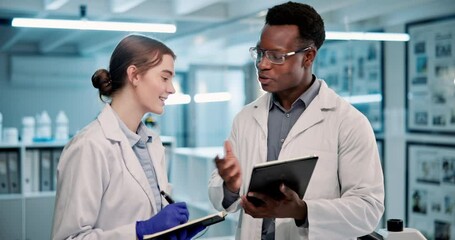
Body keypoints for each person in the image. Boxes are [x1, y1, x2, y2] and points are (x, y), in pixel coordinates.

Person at [208, 2, 384, 239]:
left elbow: (368, 210)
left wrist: (302, 211)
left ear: (308, 56)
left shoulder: (349, 123)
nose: (262, 64)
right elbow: (220, 198)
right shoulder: (247, 117)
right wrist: (229, 185)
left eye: (276, 56)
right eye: (260, 53)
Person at [52, 34, 203, 240]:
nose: (171, 88)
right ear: (135, 75)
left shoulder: (152, 144)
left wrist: (168, 233)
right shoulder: (89, 146)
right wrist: (140, 231)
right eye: (165, 77)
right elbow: (69, 238)